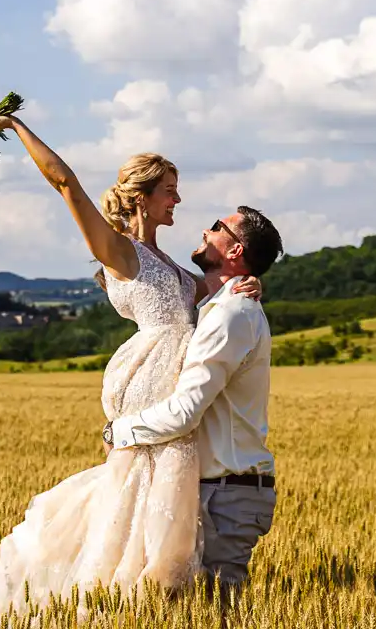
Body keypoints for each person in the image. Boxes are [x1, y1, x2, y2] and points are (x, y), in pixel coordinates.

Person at [0, 109, 261, 620]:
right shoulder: (120, 252)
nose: (177, 199)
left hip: (173, 399)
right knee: (140, 515)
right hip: (151, 387)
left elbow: (217, 294)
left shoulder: (169, 263)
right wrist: (15, 128)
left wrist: (253, 286)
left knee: (162, 526)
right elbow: (65, 182)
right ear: (142, 197)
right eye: (169, 189)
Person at [104, 204, 283, 604]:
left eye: (218, 227)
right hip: (214, 491)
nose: (206, 230)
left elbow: (185, 412)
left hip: (225, 495)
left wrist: (117, 432)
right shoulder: (217, 308)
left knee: (211, 611)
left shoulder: (231, 315)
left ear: (235, 251)